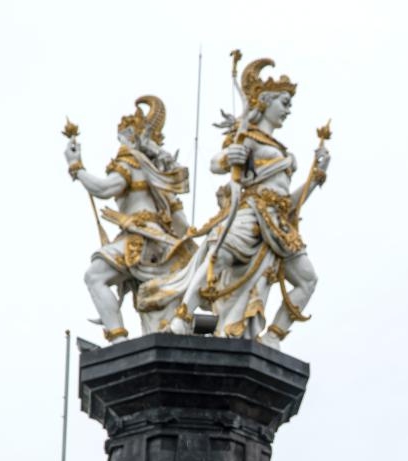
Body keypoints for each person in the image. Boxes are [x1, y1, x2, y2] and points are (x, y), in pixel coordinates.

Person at [166, 58, 329, 347]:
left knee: (308, 280)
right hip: (251, 216)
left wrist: (314, 180)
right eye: (285, 102)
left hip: (278, 226)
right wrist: (231, 157)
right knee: (219, 257)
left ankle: (274, 336)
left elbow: (289, 204)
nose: (288, 110)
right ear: (265, 102)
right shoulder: (249, 138)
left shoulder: (285, 154)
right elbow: (216, 163)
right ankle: (182, 315)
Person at [65, 95, 196, 342]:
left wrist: (76, 167)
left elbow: (104, 189)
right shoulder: (159, 173)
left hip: (139, 239)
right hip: (163, 244)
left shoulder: (131, 163)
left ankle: (118, 339)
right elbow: (182, 225)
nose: (121, 139)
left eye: (125, 133)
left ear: (135, 136)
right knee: (154, 310)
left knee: (95, 276)